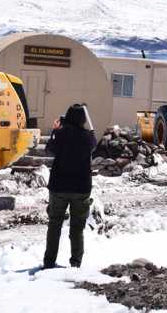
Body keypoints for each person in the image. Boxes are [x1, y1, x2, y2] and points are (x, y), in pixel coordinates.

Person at [43, 104, 97, 269]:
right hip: (81, 188)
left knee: (54, 225)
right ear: (82, 119)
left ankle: (49, 261)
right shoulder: (88, 137)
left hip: (59, 186)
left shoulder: (60, 135)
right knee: (77, 228)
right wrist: (91, 131)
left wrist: (55, 131)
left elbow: (49, 150)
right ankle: (76, 263)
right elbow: (93, 144)